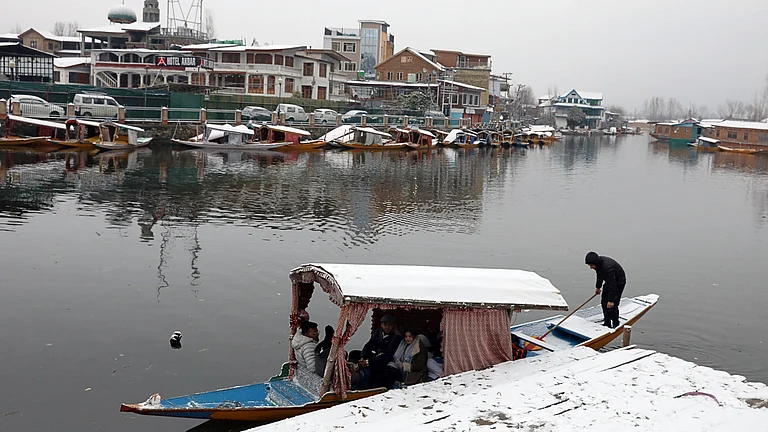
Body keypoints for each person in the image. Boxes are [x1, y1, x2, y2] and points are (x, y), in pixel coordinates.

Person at [585, 252, 627, 328]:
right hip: (609, 281)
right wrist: (598, 287)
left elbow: (613, 285)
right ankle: (607, 322)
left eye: (591, 265)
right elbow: (599, 276)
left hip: (618, 282)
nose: (590, 267)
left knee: (612, 305)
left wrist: (611, 300)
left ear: (595, 263)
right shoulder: (598, 265)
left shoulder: (608, 268)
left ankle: (615, 323)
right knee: (604, 302)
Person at [360, 314, 403, 389]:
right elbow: (369, 344)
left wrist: (368, 362)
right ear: (381, 325)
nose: (387, 327)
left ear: (393, 326)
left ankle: (368, 386)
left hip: (385, 360)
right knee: (353, 354)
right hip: (374, 354)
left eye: (389, 325)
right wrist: (363, 357)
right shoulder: (378, 332)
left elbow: (387, 355)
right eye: (385, 325)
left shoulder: (396, 338)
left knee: (377, 368)